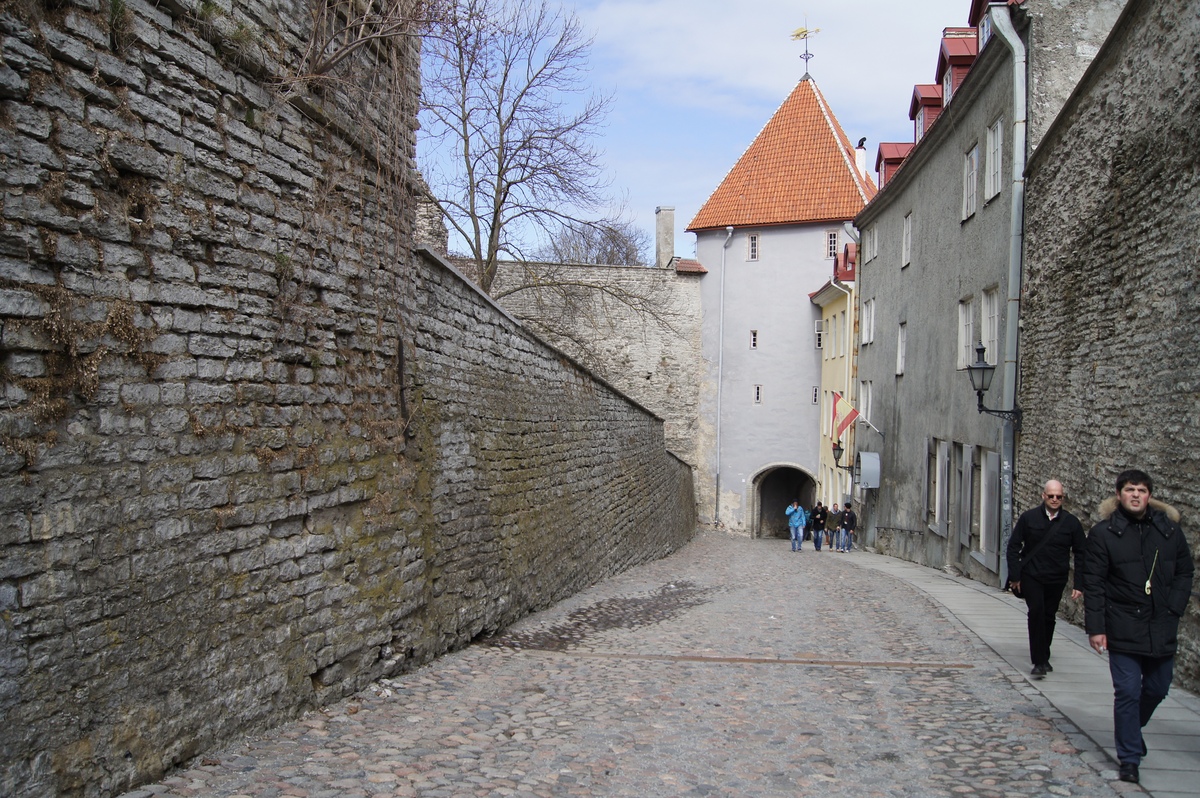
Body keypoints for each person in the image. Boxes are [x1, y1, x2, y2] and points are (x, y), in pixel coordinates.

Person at [1084, 469, 1194, 785]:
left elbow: (1185, 572)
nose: (1136, 495)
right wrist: (1096, 627)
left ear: (1149, 496)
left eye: (1142, 490)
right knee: (1128, 691)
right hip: (1123, 625)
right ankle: (1130, 759)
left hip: (1161, 624)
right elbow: (1094, 583)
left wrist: (1174, 606)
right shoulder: (1104, 534)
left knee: (1158, 687)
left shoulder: (1169, 532)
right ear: (1119, 494)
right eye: (1130, 489)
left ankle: (1132, 729)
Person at [1006, 479, 1085, 679]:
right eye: (1051, 496)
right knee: (1036, 612)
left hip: (1056, 577)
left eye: (1058, 496)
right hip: (1032, 575)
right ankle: (1039, 661)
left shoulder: (1071, 523)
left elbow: (1082, 553)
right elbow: (1013, 546)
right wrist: (1015, 576)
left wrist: (1079, 583)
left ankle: (1044, 653)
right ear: (1043, 496)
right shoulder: (1029, 518)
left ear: (1063, 498)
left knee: (1049, 616)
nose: (1055, 499)